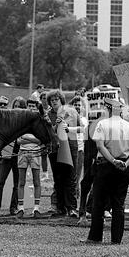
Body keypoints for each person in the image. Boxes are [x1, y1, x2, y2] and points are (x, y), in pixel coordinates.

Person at [83, 98, 129, 244]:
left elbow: (100, 146)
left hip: (105, 166)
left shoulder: (102, 124)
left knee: (98, 203)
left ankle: (95, 237)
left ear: (107, 108)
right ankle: (116, 239)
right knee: (118, 204)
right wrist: (125, 164)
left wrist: (113, 161)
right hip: (124, 168)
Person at [47, 90, 80, 218]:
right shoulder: (48, 115)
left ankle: (72, 208)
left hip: (71, 146)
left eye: (56, 99)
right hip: (55, 149)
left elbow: (82, 127)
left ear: (61, 100)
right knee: (58, 178)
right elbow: (49, 133)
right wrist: (56, 125)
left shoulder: (71, 111)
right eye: (52, 100)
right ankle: (60, 208)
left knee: (71, 177)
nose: (54, 101)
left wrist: (69, 128)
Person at [16, 94, 43, 219]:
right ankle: (20, 208)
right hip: (22, 153)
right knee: (21, 181)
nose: (31, 108)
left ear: (36, 107)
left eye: (33, 106)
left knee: (36, 181)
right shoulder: (22, 120)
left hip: (36, 153)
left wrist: (26, 137)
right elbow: (18, 140)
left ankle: (36, 208)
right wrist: (32, 138)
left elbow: (41, 140)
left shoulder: (39, 120)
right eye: (29, 105)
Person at [69, 96, 87, 198]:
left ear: (82, 107)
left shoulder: (84, 120)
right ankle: (71, 193)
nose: (77, 107)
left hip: (80, 149)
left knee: (78, 173)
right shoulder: (69, 118)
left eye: (79, 105)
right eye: (75, 105)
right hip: (71, 148)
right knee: (71, 173)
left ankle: (76, 192)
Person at [39, 90, 51, 181]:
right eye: (43, 98)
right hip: (41, 135)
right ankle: (45, 174)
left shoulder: (51, 109)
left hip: (50, 135)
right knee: (43, 155)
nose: (45, 100)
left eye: (47, 99)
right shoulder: (39, 110)